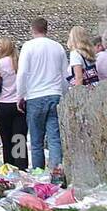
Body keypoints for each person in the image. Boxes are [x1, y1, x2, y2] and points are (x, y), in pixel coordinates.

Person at [15, 18, 68, 175]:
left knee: (36, 139)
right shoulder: (57, 47)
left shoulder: (28, 47)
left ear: (32, 29)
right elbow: (65, 74)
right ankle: (56, 172)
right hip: (54, 94)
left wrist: (20, 95)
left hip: (35, 95)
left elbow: (23, 72)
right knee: (54, 137)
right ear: (47, 29)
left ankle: (38, 172)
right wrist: (64, 94)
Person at [0, 37, 28, 170]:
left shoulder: (0, 63)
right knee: (19, 138)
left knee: (6, 139)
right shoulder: (20, 62)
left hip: (3, 104)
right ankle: (21, 166)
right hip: (20, 103)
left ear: (4, 49)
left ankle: (9, 166)